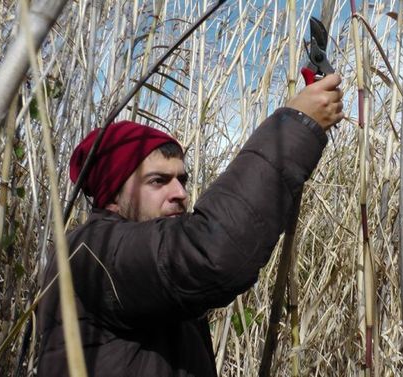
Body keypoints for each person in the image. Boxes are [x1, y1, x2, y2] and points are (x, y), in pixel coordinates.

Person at [36, 74, 344, 376]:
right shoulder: (94, 251)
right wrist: (296, 124)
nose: (180, 194)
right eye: (158, 181)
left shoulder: (121, 256)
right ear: (112, 192)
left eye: (182, 180)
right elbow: (212, 253)